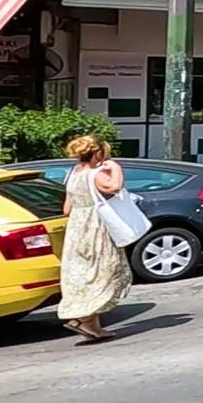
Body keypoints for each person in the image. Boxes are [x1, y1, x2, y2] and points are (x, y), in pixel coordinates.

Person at [57, 135, 131, 343]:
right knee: (107, 271)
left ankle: (94, 327)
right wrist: (115, 168)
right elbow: (115, 187)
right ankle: (83, 318)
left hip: (77, 229)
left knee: (85, 274)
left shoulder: (73, 174)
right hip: (96, 226)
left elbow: (66, 209)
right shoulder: (95, 175)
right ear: (98, 153)